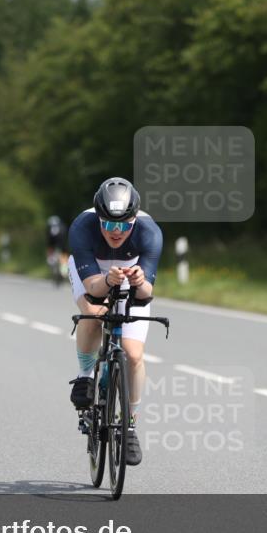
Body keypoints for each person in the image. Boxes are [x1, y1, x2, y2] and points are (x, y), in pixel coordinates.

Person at [67, 177, 163, 466]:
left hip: (131, 271)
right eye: (108, 224)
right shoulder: (82, 227)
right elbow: (93, 288)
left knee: (133, 354)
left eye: (124, 225)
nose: (116, 232)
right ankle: (85, 376)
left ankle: (130, 423)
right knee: (94, 313)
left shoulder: (149, 232)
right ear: (99, 218)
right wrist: (108, 280)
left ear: (134, 219)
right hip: (94, 272)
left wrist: (140, 280)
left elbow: (146, 294)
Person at [46, 215, 68, 284]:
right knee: (64, 257)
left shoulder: (50, 229)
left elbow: (49, 244)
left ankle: (55, 267)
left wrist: (49, 255)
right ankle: (64, 272)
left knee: (51, 259)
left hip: (54, 245)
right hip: (63, 246)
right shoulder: (63, 227)